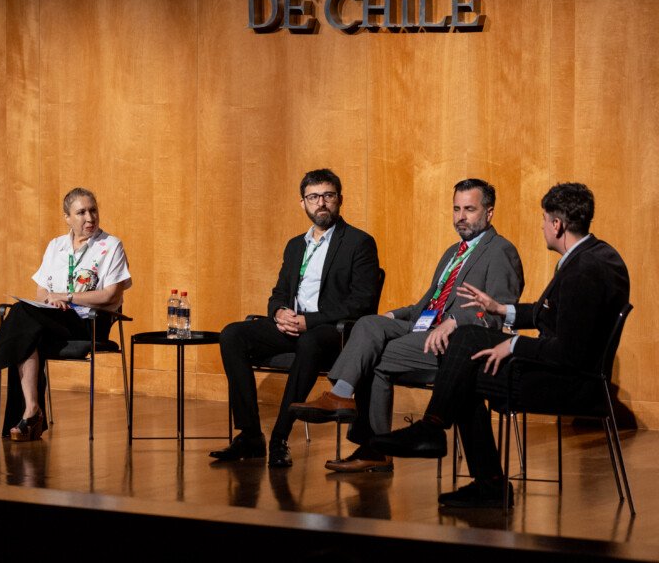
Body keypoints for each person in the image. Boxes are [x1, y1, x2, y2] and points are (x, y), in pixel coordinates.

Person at [371, 183, 630, 507]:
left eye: (544, 220)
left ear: (557, 225)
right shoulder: (594, 255)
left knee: (464, 374)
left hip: (571, 383)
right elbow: (550, 314)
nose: (541, 227)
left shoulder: (585, 271)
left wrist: (514, 345)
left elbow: (569, 352)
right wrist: (500, 309)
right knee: (466, 340)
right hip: (562, 368)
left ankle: (469, 463)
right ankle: (437, 433)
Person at [291, 179, 524, 473]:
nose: (461, 217)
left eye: (469, 209)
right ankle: (342, 396)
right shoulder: (454, 251)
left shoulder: (501, 250)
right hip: (423, 327)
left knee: (376, 358)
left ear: (489, 212)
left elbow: (498, 312)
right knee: (369, 324)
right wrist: (393, 316)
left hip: (458, 342)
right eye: (456, 209)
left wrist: (453, 323)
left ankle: (370, 440)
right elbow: (425, 305)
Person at [209, 169, 381, 468]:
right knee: (232, 334)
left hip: (330, 331)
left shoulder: (358, 243)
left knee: (310, 341)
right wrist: (278, 312)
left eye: (328, 196)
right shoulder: (295, 245)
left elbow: (361, 303)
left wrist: (308, 321)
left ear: (339, 200)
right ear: (303, 203)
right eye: (313, 197)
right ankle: (250, 436)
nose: (321, 203)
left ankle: (279, 436)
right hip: (292, 326)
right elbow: (278, 293)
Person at [0, 187, 132, 441]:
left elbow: (110, 295)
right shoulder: (56, 246)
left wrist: (67, 297)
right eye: (81, 212)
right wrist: (50, 301)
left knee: (20, 316)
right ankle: (31, 412)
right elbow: (41, 290)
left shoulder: (111, 246)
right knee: (27, 327)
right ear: (67, 217)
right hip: (54, 317)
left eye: (93, 210)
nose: (89, 218)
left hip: (90, 321)